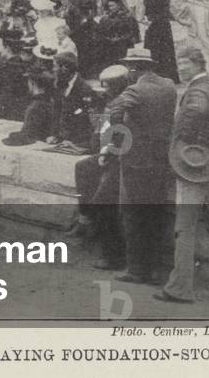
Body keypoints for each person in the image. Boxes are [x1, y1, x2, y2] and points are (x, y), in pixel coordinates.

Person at [155, 48, 209, 305]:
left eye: (185, 64)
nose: (181, 68)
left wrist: (181, 134)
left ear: (197, 64)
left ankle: (180, 288)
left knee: (184, 227)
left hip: (193, 168)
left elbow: (196, 111)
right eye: (179, 63)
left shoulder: (199, 90)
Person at [107, 47, 177, 286]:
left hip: (136, 161)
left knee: (134, 214)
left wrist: (120, 131)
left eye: (129, 67)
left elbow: (114, 113)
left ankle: (137, 270)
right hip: (162, 159)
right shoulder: (169, 86)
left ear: (134, 68)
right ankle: (160, 270)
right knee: (157, 214)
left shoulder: (134, 89)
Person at [70, 65, 131, 271]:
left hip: (120, 160)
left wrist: (105, 151)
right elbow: (99, 137)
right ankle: (85, 218)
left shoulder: (122, 104)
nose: (104, 90)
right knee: (82, 167)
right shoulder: (111, 104)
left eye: (108, 86)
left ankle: (113, 256)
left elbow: (119, 137)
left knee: (103, 201)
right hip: (110, 156)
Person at [0, 29, 29, 121]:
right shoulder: (22, 64)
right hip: (21, 110)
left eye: (2, 47)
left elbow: (6, 93)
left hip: (9, 111)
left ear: (7, 48)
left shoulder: (8, 68)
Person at [143, 0, 179, 83]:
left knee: (163, 52)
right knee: (162, 52)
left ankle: (164, 75)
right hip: (160, 26)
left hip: (160, 26)